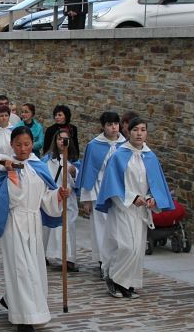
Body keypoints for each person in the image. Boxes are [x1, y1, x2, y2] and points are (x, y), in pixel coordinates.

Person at [0, 126, 70, 332]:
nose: (23, 148)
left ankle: (13, 300)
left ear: (33, 144)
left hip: (33, 221)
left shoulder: (38, 166)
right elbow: (11, 198)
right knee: (20, 268)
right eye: (18, 144)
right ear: (11, 145)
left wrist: (58, 194)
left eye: (27, 144)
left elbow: (45, 199)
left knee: (35, 267)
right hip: (14, 222)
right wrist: (12, 173)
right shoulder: (6, 167)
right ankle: (24, 318)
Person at [96, 118, 173, 299]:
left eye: (143, 130)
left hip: (141, 210)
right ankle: (114, 278)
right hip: (123, 208)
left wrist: (153, 199)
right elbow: (112, 185)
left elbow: (154, 183)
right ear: (128, 132)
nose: (139, 133)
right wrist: (132, 198)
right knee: (126, 246)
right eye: (136, 130)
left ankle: (127, 283)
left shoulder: (150, 156)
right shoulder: (118, 156)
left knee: (137, 248)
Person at [78, 111, 126, 279]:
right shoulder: (94, 145)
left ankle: (117, 262)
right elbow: (88, 172)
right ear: (103, 127)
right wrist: (87, 199)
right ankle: (102, 262)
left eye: (116, 124)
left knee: (117, 229)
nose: (114, 128)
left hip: (119, 193)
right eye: (109, 125)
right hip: (98, 192)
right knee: (100, 229)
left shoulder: (126, 145)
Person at [42, 129, 81, 271]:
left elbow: (79, 181)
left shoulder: (74, 161)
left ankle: (69, 258)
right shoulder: (46, 160)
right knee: (48, 227)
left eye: (65, 139)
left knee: (68, 227)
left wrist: (74, 173)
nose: (62, 142)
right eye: (59, 139)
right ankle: (44, 254)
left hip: (67, 199)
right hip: (52, 197)